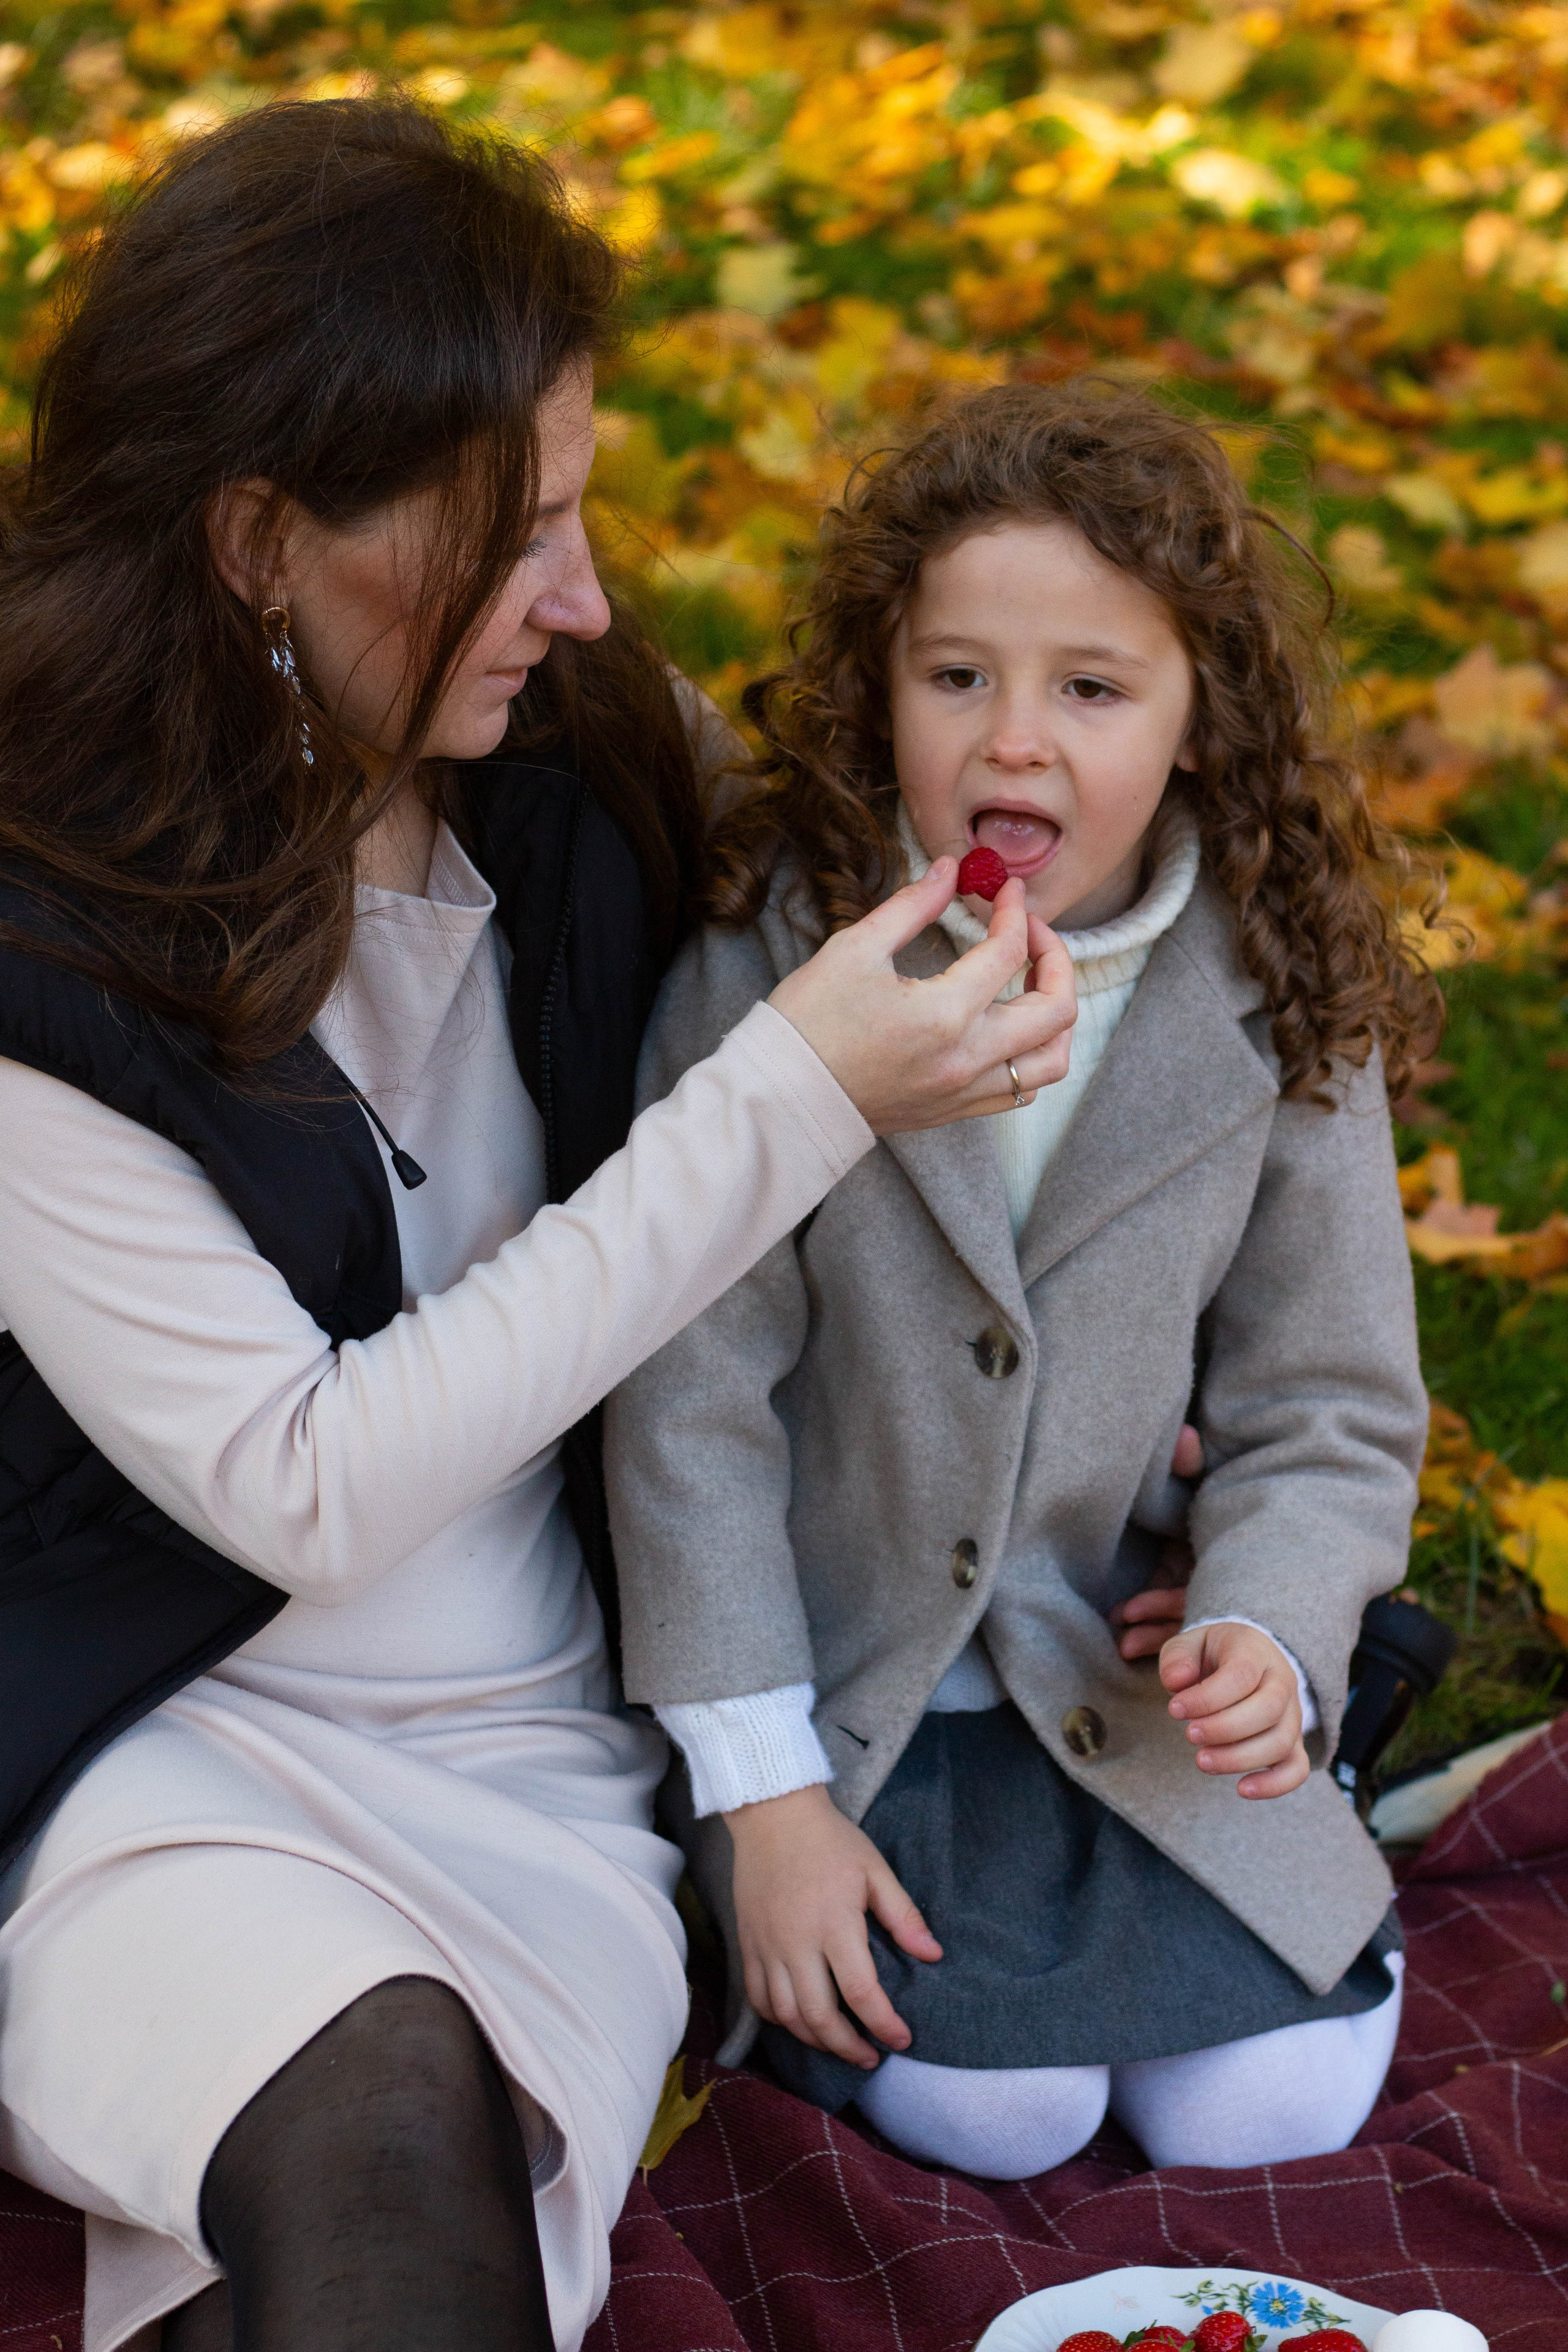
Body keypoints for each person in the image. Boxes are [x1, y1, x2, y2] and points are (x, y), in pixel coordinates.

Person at [0, 104, 1080, 2352]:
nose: (584, 598)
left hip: (553, 1759)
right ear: (260, 541)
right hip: (162, 1739)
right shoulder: (37, 953)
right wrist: (788, 1094)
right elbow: (309, 1481)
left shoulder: (562, 751)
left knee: (375, 2247)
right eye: (523, 541)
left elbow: (871, 901)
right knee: (376, 2118)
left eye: (581, 517)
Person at [605, 380, 1443, 2183]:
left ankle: (1298, 1830)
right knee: (1002, 2113)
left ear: (1204, 718)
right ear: (877, 686)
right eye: (956, 675)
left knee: (1266, 2113)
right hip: (858, 1700)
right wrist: (763, 1800)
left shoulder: (1275, 985)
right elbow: (689, 1404)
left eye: (1093, 687)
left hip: (1116, 1669)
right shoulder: (776, 960)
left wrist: (1271, 1629)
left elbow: (1331, 1396)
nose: (1016, 745)